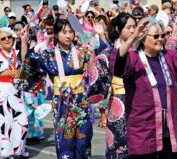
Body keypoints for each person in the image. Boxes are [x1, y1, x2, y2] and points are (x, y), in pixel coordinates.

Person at [110, 18, 177, 158]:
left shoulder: (168, 56)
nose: (160, 39)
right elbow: (118, 65)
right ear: (143, 39)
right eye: (156, 36)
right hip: (144, 129)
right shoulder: (133, 59)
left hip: (168, 128)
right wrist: (133, 37)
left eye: (162, 36)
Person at [22, 19, 95, 159]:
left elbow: (93, 75)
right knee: (64, 141)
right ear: (55, 34)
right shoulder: (48, 54)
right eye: (64, 32)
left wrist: (91, 55)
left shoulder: (82, 50)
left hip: (81, 101)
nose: (68, 35)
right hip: (61, 102)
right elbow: (27, 63)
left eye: (71, 32)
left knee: (83, 139)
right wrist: (24, 41)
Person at [105, 13, 137, 158]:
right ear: (118, 29)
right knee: (119, 142)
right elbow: (101, 82)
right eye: (128, 27)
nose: (132, 30)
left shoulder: (140, 50)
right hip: (117, 99)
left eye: (134, 27)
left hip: (138, 98)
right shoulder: (108, 52)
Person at [0, 27, 29, 158]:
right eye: (3, 38)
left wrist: (23, 40)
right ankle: (7, 152)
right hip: (2, 90)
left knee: (22, 121)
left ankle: (19, 148)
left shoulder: (15, 52)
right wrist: (20, 73)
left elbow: (24, 59)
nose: (7, 40)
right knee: (5, 123)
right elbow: (3, 72)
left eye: (9, 37)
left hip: (16, 91)